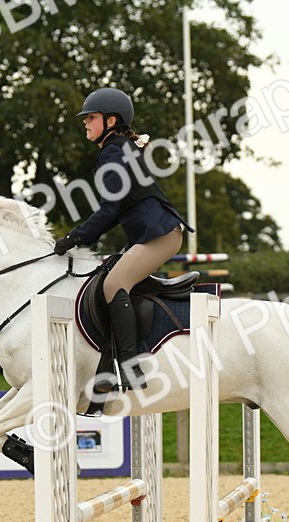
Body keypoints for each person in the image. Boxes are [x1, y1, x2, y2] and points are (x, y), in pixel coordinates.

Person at [53, 87, 189, 390]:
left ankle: (129, 366)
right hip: (152, 234)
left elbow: (110, 209)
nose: (85, 123)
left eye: (91, 118)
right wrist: (80, 237)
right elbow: (117, 209)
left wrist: (74, 237)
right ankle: (108, 362)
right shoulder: (118, 148)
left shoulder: (113, 151)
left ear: (111, 121)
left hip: (160, 235)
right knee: (107, 277)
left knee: (115, 285)